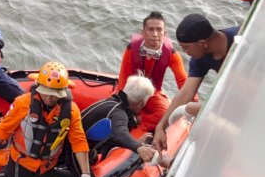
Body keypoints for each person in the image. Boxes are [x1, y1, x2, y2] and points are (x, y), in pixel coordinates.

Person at [0, 61, 94, 177]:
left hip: (47, 165)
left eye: (54, 95)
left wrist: (85, 174)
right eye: (46, 93)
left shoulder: (71, 111)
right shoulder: (23, 103)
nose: (49, 98)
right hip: (21, 161)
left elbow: (79, 142)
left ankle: (58, 175)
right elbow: (5, 128)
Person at [153, 14, 241, 152]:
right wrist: (160, 127)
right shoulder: (200, 58)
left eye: (186, 47)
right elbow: (186, 93)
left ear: (203, 43)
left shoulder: (241, 37)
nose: (185, 52)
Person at [117, 11, 190, 131]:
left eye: (159, 30)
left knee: (165, 115)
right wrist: (123, 102)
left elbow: (183, 81)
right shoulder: (131, 49)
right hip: (131, 91)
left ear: (164, 33)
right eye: (150, 29)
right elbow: (123, 79)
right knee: (118, 110)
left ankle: (137, 121)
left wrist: (194, 103)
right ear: (143, 33)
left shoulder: (171, 54)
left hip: (153, 93)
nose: (155, 34)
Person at [82, 75, 168, 166]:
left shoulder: (112, 102)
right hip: (74, 150)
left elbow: (113, 136)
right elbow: (121, 133)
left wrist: (135, 142)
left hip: (78, 145)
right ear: (141, 103)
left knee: (93, 158)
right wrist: (140, 148)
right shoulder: (119, 113)